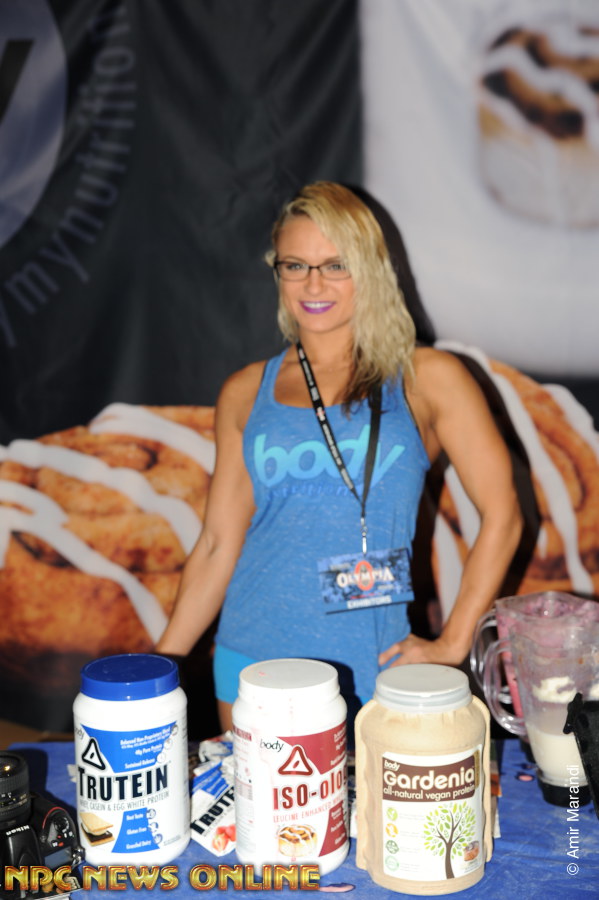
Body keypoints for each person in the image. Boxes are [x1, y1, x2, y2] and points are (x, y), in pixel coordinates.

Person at [156, 181, 523, 731]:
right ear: (277, 272)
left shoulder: (429, 378)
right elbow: (216, 543)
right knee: (257, 791)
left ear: (370, 270)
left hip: (374, 665)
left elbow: (504, 516)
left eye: (335, 265)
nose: (313, 284)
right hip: (251, 658)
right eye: (295, 266)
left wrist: (451, 643)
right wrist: (159, 669)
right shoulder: (245, 391)